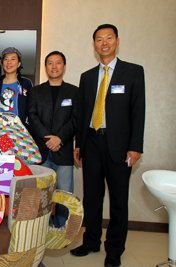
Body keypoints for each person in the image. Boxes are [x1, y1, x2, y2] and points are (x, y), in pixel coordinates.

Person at [71, 24, 145, 267]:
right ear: (94, 44)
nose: (104, 43)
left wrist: (135, 146)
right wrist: (78, 144)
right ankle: (91, 241)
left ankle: (114, 249)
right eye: (99, 39)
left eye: (108, 38)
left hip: (119, 147)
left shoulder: (133, 72)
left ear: (117, 41)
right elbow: (82, 114)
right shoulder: (87, 76)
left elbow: (138, 111)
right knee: (91, 198)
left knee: (118, 201)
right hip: (91, 143)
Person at [28, 51, 78, 227]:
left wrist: (60, 138)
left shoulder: (74, 91)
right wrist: (48, 138)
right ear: (45, 66)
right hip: (41, 151)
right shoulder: (35, 92)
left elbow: (75, 119)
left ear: (64, 66)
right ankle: (43, 228)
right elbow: (32, 117)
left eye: (58, 63)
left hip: (63, 152)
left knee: (65, 194)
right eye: (50, 63)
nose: (54, 66)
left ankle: (62, 228)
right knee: (41, 194)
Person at [0, 47, 33, 126]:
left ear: (18, 64)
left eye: (13, 59)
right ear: (2, 63)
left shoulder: (26, 83)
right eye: (6, 59)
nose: (9, 62)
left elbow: (32, 107)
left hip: (20, 128)